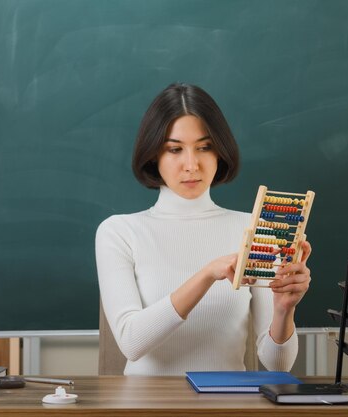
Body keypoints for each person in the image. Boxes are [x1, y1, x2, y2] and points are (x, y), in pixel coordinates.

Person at [95, 83, 312, 376]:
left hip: (228, 405)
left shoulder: (253, 229)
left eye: (204, 147)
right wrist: (207, 274)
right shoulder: (119, 232)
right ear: (153, 156)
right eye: (174, 149)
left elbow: (278, 365)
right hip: (145, 406)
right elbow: (132, 343)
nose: (191, 165)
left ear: (219, 152)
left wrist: (285, 309)